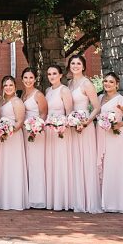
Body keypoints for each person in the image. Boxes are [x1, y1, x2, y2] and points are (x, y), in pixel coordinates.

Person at [97, 72, 123, 214]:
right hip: (102, 136)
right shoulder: (100, 98)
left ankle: (118, 202)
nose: (107, 84)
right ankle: (104, 200)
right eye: (105, 81)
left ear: (117, 84)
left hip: (115, 137)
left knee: (115, 167)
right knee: (104, 166)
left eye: (111, 82)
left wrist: (119, 124)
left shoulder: (120, 100)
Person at [67, 54, 102, 214]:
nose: (75, 66)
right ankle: (77, 199)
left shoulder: (86, 83)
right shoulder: (69, 84)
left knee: (85, 161)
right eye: (73, 63)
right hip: (72, 126)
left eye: (78, 63)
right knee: (75, 162)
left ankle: (89, 201)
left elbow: (96, 107)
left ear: (84, 66)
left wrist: (85, 122)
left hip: (85, 126)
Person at [0, 76, 28, 210]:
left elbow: (20, 122)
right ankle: (4, 199)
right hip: (3, 138)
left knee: (14, 166)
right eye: (5, 85)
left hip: (13, 137)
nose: (8, 87)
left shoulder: (17, 102)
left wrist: (7, 132)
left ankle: (15, 200)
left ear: (15, 87)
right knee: (4, 166)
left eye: (10, 85)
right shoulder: (1, 101)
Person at [44, 64, 73, 211]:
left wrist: (61, 126)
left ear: (60, 75)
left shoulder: (64, 90)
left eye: (54, 73)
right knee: (51, 163)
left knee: (61, 163)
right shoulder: (48, 91)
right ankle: (53, 199)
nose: (52, 76)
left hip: (61, 131)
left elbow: (69, 113)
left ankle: (64, 200)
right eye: (49, 74)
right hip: (49, 131)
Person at [20, 67, 48, 209]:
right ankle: (29, 196)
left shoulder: (38, 95)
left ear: (35, 79)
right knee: (28, 163)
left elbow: (43, 114)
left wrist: (36, 127)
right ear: (22, 79)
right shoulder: (23, 95)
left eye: (31, 78)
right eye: (25, 78)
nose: (28, 80)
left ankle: (38, 199)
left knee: (36, 163)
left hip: (36, 131)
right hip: (25, 131)